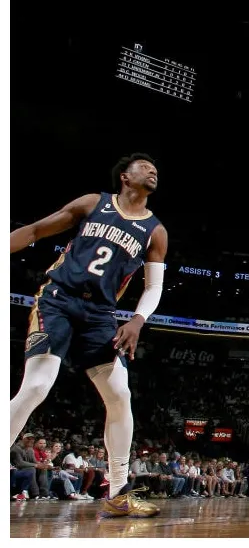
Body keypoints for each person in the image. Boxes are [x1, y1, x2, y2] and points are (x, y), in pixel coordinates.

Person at [9, 153, 167, 518]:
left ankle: (117, 492)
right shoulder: (93, 203)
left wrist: (138, 320)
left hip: (99, 315)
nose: (152, 171)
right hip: (59, 301)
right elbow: (34, 231)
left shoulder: (156, 231)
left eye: (155, 169)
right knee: (36, 386)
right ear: (125, 177)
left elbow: (154, 287)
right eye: (144, 167)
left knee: (120, 394)